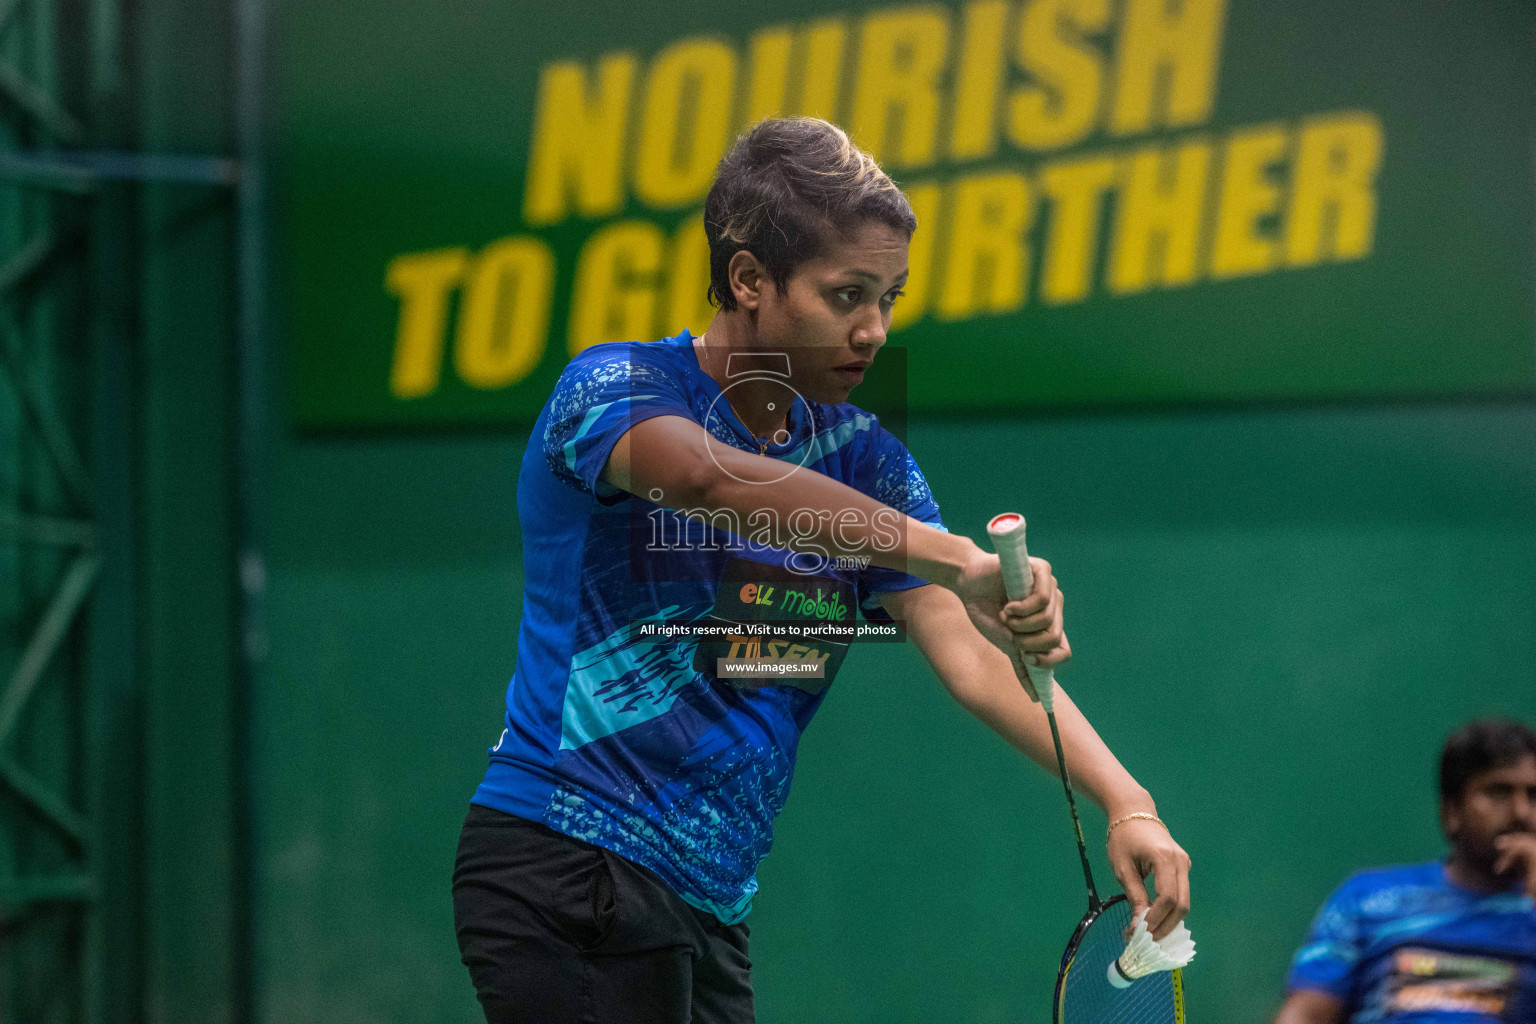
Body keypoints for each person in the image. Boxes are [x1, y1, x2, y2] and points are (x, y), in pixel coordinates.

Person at [452, 116, 1192, 1024]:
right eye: (847, 295)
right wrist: (957, 556)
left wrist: (1127, 798)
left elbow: (965, 653)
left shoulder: (861, 458)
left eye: (889, 298)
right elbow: (702, 476)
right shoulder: (614, 390)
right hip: (571, 856)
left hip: (714, 902)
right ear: (749, 278)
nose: (874, 330)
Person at [1273, 717, 1536, 1024]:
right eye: (1499, 793)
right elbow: (1305, 1014)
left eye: (1533, 795)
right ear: (1451, 812)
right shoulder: (1368, 900)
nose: (1521, 812)